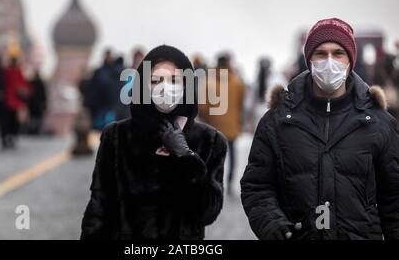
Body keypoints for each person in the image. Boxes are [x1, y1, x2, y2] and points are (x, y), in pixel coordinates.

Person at [240, 18, 399, 240]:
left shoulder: (379, 123)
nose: (329, 61)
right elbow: (257, 186)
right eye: (321, 53)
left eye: (338, 53)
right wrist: (273, 225)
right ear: (309, 60)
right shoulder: (277, 122)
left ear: (350, 61)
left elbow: (393, 198)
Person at [81, 45, 227, 239]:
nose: (165, 87)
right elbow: (99, 207)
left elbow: (208, 212)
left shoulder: (210, 141)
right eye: (155, 80)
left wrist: (186, 158)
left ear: (187, 86)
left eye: (174, 80)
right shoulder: (117, 137)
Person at [199, 54, 245, 196]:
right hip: (231, 126)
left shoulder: (208, 82)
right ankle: (230, 183)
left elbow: (203, 107)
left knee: (213, 157)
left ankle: (213, 182)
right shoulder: (237, 82)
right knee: (232, 155)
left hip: (213, 127)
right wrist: (239, 121)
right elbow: (241, 105)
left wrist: (207, 120)